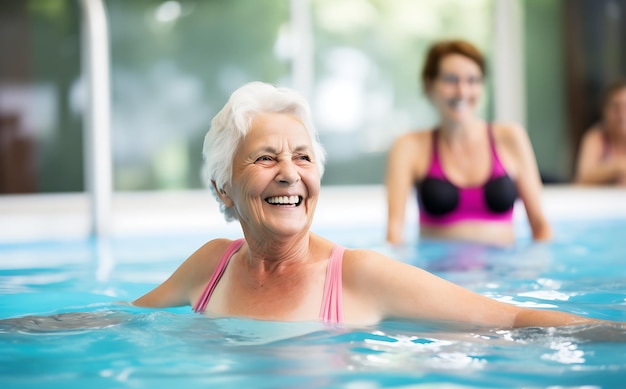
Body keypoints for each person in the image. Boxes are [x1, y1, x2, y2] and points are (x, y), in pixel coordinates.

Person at [132, 81, 608, 330]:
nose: (289, 173)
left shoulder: (358, 275)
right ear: (223, 188)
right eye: (265, 158)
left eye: (303, 157)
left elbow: (509, 319)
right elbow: (119, 319)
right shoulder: (211, 265)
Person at [385, 40, 552, 246]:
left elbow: (540, 226)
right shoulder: (409, 146)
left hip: (506, 271)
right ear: (429, 85)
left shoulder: (510, 138)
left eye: (472, 80)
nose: (462, 92)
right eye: (450, 80)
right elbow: (394, 234)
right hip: (435, 274)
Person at [575, 79, 626, 186]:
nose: (621, 114)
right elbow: (582, 178)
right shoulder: (596, 137)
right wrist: (619, 167)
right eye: (616, 107)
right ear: (604, 110)